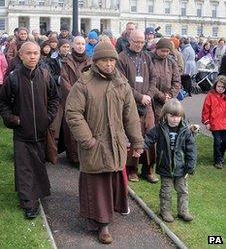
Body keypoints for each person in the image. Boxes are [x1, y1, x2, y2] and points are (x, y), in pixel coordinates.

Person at [65, 42, 144, 244]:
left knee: (111, 182)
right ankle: (102, 225)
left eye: (111, 60)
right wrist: (88, 140)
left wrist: (136, 141)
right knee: (97, 186)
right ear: (96, 61)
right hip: (95, 144)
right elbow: (73, 113)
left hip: (115, 143)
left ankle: (107, 216)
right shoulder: (83, 83)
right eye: (104, 60)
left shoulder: (121, 83)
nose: (109, 64)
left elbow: (131, 116)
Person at [0, 41, 59, 219]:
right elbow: (2, 103)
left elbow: (55, 99)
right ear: (21, 55)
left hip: (41, 132)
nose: (33, 56)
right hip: (22, 134)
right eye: (29, 53)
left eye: (36, 53)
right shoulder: (13, 78)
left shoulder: (46, 75)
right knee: (24, 168)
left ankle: (37, 195)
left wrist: (47, 118)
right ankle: (28, 202)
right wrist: (13, 120)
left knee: (38, 165)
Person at [145, 99, 197, 223]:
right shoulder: (159, 129)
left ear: (181, 116)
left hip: (181, 168)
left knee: (183, 191)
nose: (175, 119)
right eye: (172, 116)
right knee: (166, 191)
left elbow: (191, 150)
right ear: (165, 115)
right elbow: (149, 139)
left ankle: (183, 211)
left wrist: (190, 166)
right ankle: (165, 211)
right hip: (165, 167)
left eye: (177, 116)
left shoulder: (186, 131)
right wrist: (140, 146)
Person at [117, 29, 158, 183]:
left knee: (150, 134)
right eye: (137, 42)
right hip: (130, 104)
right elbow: (123, 82)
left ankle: (148, 169)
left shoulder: (147, 57)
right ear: (129, 41)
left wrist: (149, 95)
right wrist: (139, 97)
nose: (140, 44)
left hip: (147, 104)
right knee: (133, 134)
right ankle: (132, 169)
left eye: (142, 42)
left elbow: (154, 78)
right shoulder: (121, 58)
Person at [61, 36, 92, 163]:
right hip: (72, 100)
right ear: (73, 45)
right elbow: (64, 81)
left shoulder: (90, 62)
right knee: (71, 129)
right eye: (78, 43)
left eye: (83, 44)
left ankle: (85, 156)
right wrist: (76, 96)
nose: (80, 46)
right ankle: (73, 157)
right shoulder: (66, 61)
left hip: (87, 100)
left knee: (85, 128)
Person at [149, 38, 181, 122]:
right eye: (163, 51)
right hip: (153, 99)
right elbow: (148, 82)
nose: (165, 53)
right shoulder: (149, 59)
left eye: (167, 51)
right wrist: (161, 96)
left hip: (168, 99)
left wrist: (170, 95)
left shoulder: (171, 61)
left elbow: (176, 81)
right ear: (157, 48)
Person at [201, 75, 226, 169]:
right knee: (217, 142)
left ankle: (220, 156)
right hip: (214, 124)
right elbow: (206, 110)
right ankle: (218, 160)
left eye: (223, 87)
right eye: (219, 86)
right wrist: (207, 122)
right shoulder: (210, 96)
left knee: (225, 141)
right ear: (215, 85)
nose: (220, 89)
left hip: (224, 123)